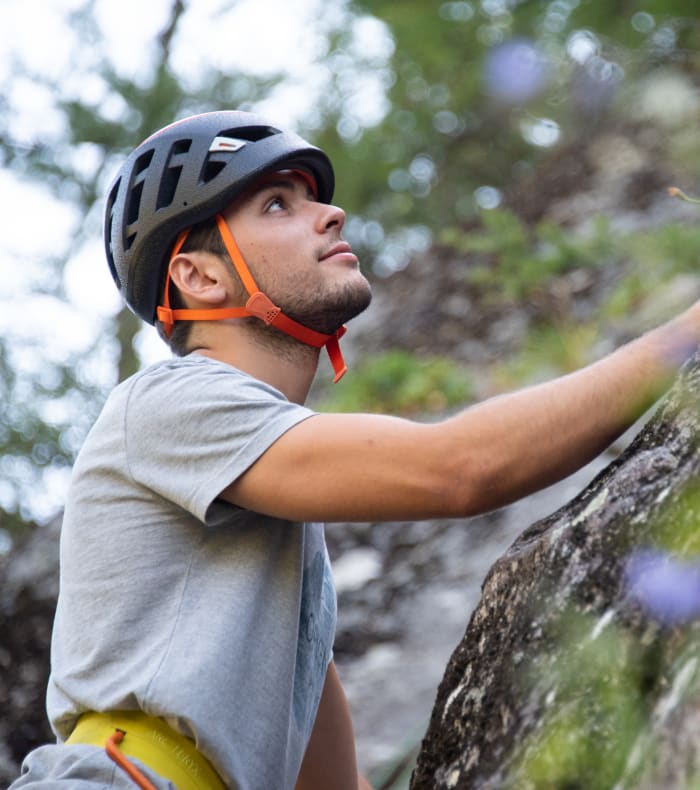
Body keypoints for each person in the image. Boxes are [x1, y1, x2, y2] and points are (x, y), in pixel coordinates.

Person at [10, 109, 700, 790]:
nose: (331, 215)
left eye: (315, 198)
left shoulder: (282, 574)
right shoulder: (166, 402)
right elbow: (457, 468)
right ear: (200, 277)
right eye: (278, 204)